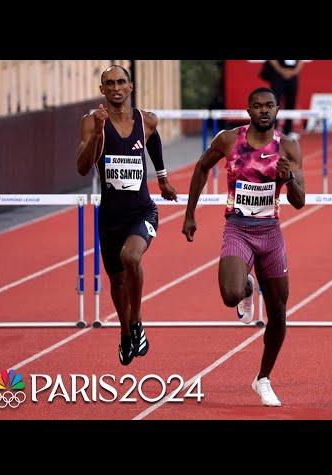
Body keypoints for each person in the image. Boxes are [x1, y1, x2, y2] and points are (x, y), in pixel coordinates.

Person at [182, 87, 305, 406]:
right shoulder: (228, 140)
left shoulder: (288, 146)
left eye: (269, 106)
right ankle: (248, 289)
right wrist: (190, 214)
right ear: (248, 110)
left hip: (270, 234)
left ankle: (263, 378)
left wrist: (289, 178)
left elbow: (300, 201)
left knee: (279, 314)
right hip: (238, 229)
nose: (264, 111)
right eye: (257, 106)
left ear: (277, 110)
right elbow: (201, 167)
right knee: (230, 295)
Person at [76, 65, 177, 365]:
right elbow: (83, 167)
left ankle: (137, 321)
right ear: (102, 90)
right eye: (110, 83)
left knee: (131, 258)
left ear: (131, 86)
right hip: (110, 217)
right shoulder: (90, 122)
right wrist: (97, 134)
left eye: (121, 82)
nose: (116, 87)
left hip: (142, 210)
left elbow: (154, 141)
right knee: (117, 283)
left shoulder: (146, 120)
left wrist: (162, 177)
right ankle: (123, 331)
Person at [260, 60, 304, 139]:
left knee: (291, 103)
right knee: (274, 103)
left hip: (292, 76)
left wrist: (293, 72)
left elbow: (300, 61)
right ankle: (272, 131)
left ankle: (288, 131)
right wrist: (281, 70)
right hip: (277, 75)